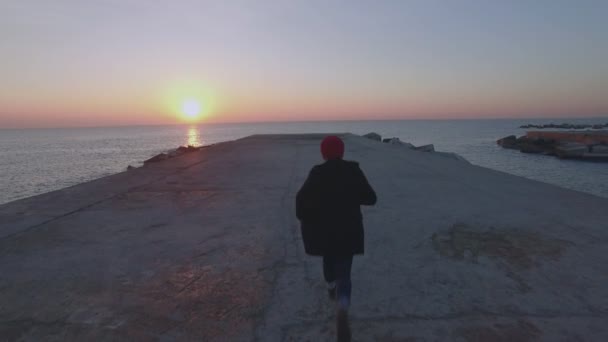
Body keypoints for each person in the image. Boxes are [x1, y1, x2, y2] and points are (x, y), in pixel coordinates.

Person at [296, 135, 377, 342]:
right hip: (349, 232)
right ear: (342, 152)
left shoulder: (317, 172)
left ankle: (331, 288)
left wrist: (309, 215)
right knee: (345, 272)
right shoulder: (353, 170)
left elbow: (301, 202)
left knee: (329, 261)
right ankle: (342, 305)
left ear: (323, 153)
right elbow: (370, 198)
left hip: (324, 233)